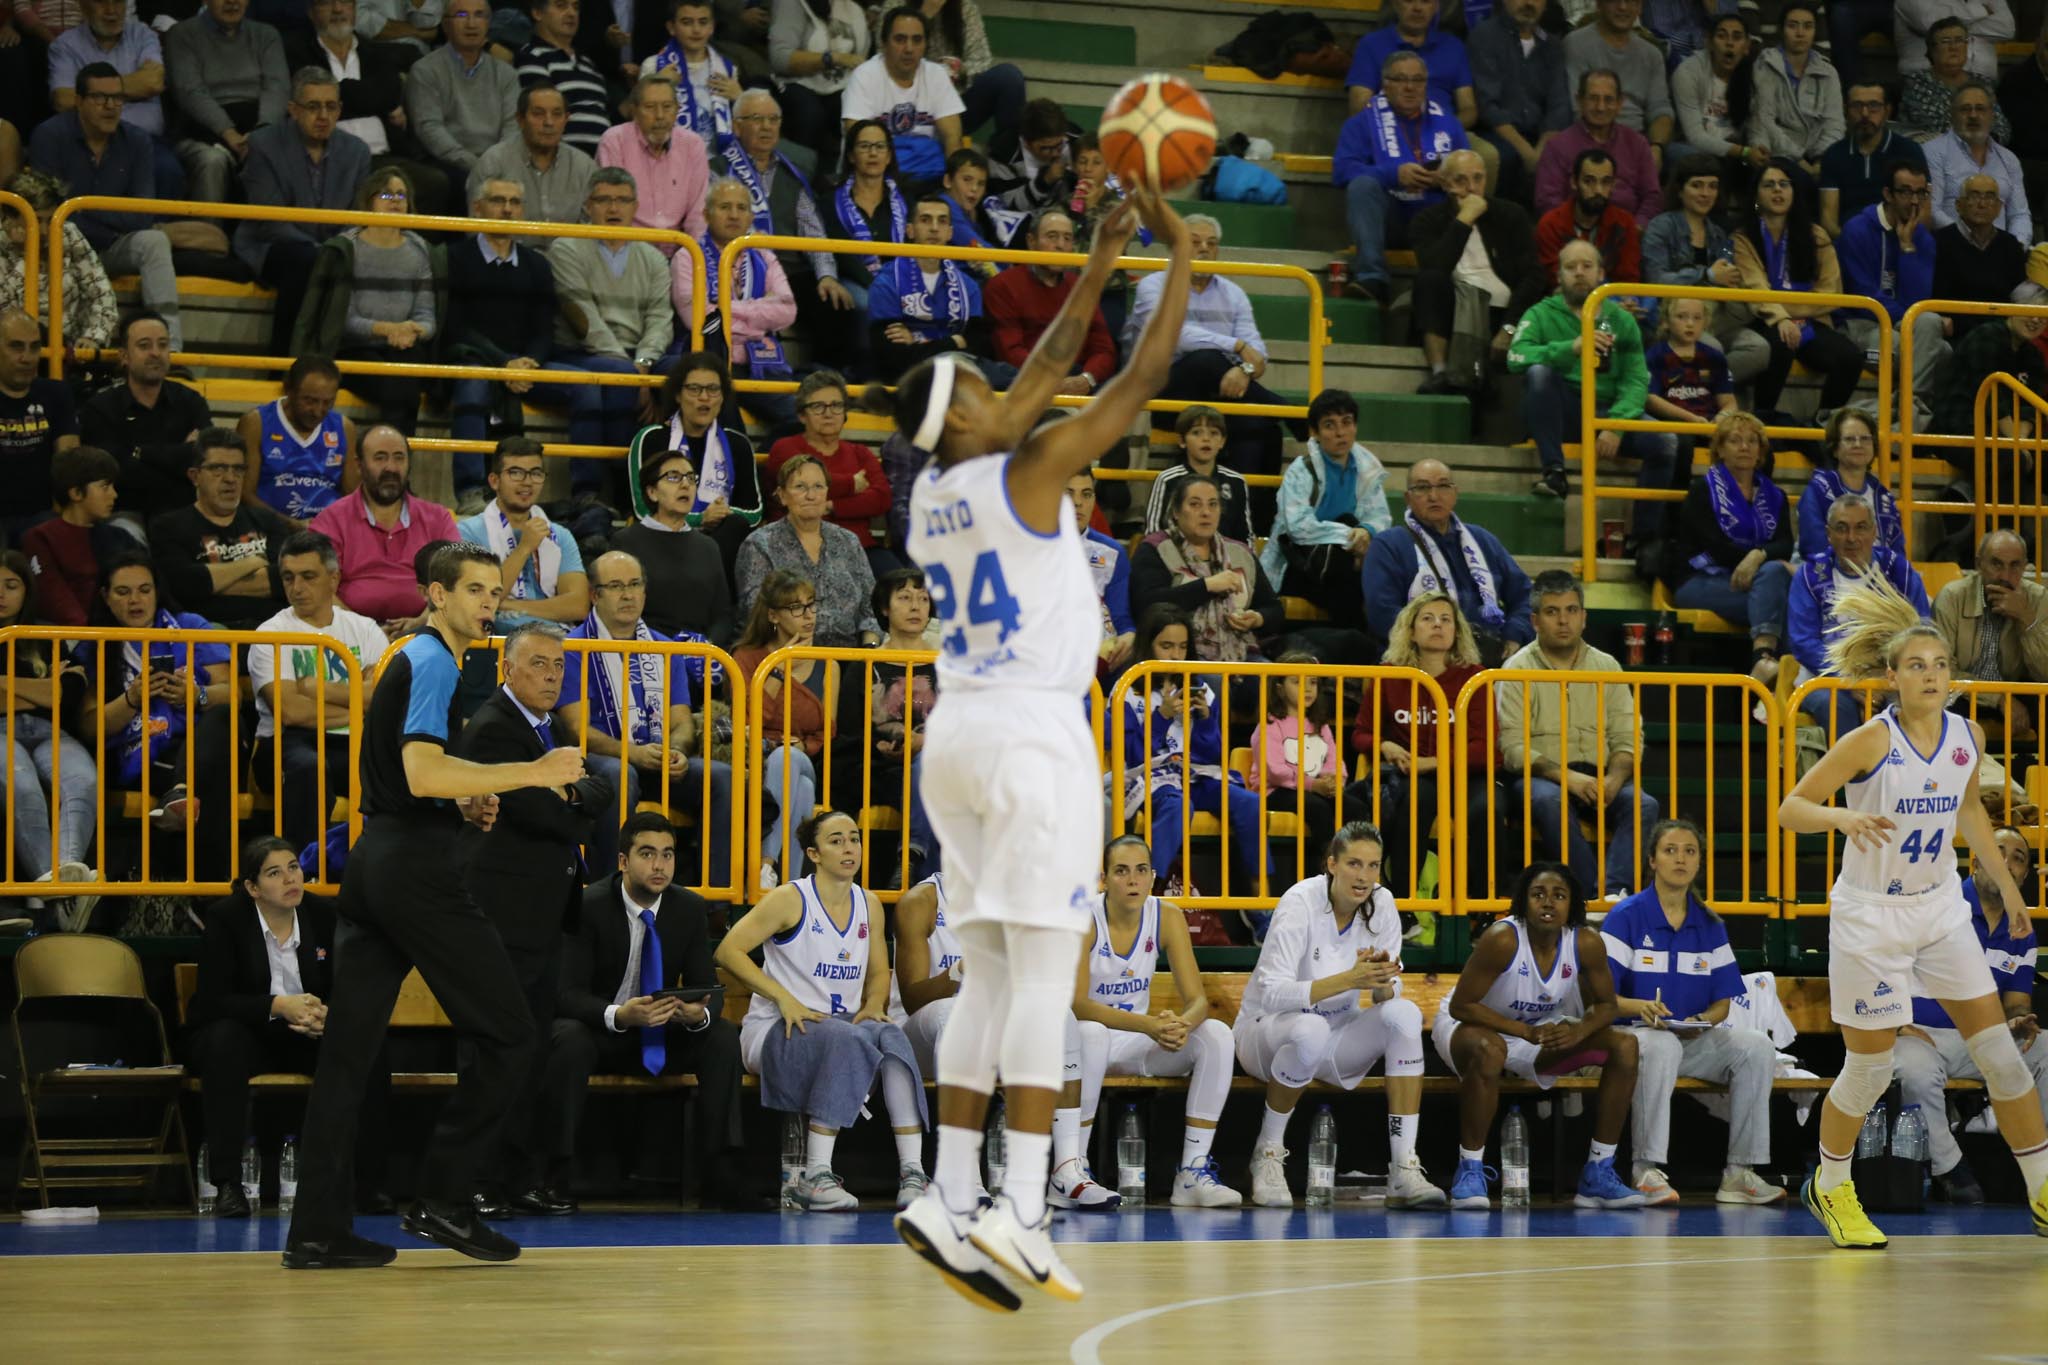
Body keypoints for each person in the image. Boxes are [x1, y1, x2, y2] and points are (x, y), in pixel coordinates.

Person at [886, 190, 1184, 1309]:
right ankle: (1020, 1203)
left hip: (953, 733)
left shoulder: (937, 498)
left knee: (991, 974)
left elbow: (1030, 380)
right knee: (1041, 980)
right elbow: (1133, 384)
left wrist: (1097, 263)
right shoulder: (1023, 471)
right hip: (1028, 734)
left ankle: (945, 1193)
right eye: (974, 387)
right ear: (958, 420)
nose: (996, 389)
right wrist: (1172, 272)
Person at [282, 542, 588, 1270]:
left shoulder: (411, 659)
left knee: (346, 1060)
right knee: (513, 1033)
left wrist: (469, 798)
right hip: (415, 873)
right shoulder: (433, 660)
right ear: (435, 594)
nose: (487, 602)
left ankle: (316, 1230)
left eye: (493, 590)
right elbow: (420, 772)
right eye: (474, 590)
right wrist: (532, 773)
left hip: (376, 861)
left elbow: (413, 772)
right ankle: (445, 1197)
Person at [1776, 572, 2048, 1249]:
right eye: (1916, 666)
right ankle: (1830, 1183)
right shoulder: (1871, 740)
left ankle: (2042, 1190)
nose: (1931, 674)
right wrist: (1844, 816)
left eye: (1940, 664)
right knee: (1868, 1068)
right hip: (1871, 918)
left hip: (1940, 909)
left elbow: (1966, 813)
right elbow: (1791, 809)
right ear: (1892, 676)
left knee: (2002, 1057)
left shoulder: (1965, 736)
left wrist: (2009, 890)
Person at [451, 620, 613, 1217]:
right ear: (507, 669)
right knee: (494, 1049)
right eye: (539, 664)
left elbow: (595, 794)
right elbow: (544, 815)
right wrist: (576, 801)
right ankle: (472, 1180)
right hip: (500, 916)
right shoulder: (495, 728)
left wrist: (573, 798)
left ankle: (515, 1177)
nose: (551, 676)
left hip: (541, 917)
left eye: (558, 667)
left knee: (530, 1050)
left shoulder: (545, 728)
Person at [716, 807, 929, 1210]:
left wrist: (872, 1003)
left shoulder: (869, 903)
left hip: (839, 1028)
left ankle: (913, 1172)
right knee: (844, 1038)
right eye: (837, 841)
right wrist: (783, 997)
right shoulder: (789, 898)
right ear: (813, 854)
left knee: (891, 1035)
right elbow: (729, 951)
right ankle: (815, 1174)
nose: (849, 848)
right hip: (776, 1028)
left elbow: (879, 973)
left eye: (854, 839)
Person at [546, 811, 752, 1208]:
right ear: (623, 861)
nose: (659, 866)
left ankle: (722, 1175)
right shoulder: (588, 905)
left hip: (659, 1031)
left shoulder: (689, 908)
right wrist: (620, 1015)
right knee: (567, 1039)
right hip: (602, 1032)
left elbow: (709, 986)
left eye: (668, 855)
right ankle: (554, 1174)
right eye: (647, 854)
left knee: (722, 1035)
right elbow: (566, 994)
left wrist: (697, 1015)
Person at [1235, 823, 1447, 1208]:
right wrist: (1349, 978)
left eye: (1372, 866)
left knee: (1404, 1014)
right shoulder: (1300, 901)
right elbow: (1274, 992)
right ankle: (1266, 1154)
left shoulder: (1382, 904)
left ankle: (1403, 1168)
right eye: (1353, 864)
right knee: (1310, 1029)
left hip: (1335, 1034)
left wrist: (1381, 981)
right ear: (1331, 864)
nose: (1363, 876)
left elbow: (1388, 993)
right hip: (1264, 1033)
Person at [188, 837, 389, 1219]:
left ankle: (366, 1185)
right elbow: (212, 1001)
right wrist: (278, 1005)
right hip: (251, 1031)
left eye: (294, 868)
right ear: (252, 887)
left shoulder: (323, 914)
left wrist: (326, 1015)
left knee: (368, 1046)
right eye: (274, 873)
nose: (290, 879)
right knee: (223, 1043)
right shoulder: (226, 918)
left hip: (307, 1033)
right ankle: (229, 1184)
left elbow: (347, 984)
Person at [1433, 861, 1649, 1210]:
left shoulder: (1586, 943)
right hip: (1471, 1028)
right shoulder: (1502, 939)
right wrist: (1525, 1030)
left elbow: (1607, 1006)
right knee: (1491, 1050)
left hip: (1534, 1035)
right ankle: (1470, 1169)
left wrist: (1580, 1030)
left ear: (1571, 904)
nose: (1548, 902)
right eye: (1538, 894)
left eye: (1558, 895)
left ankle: (1598, 1170)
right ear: (1523, 901)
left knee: (1625, 1045)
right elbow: (1462, 1006)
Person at [1600, 817, 1786, 1205]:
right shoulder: (1625, 917)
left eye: (1690, 851)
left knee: (1755, 1047)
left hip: (1691, 1039)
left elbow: (1722, 1003)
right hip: (1632, 1038)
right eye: (1670, 851)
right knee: (1661, 1045)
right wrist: (1642, 1007)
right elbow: (1600, 999)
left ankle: (1740, 1173)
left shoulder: (1709, 923)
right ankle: (1644, 1169)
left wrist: (1704, 1022)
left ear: (1699, 862)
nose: (1680, 859)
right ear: (1652, 860)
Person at [1073, 835, 1244, 1207]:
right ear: (1104, 879)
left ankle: (1192, 1172)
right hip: (1084, 1043)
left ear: (1152, 877)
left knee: (1215, 1034)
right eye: (1121, 871)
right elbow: (1079, 1006)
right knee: (1092, 1034)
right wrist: (1149, 1026)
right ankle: (1075, 1169)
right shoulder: (1085, 918)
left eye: (1140, 871)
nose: (1132, 880)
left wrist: (1180, 1024)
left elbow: (1198, 1000)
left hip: (1135, 1042)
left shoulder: (1166, 915)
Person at [556, 548, 734, 887]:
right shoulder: (574, 648)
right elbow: (577, 728)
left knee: (721, 777)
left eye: (635, 584)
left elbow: (681, 720)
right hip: (600, 760)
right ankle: (608, 890)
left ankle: (717, 901)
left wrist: (676, 750)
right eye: (616, 586)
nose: (628, 594)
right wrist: (633, 753)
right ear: (595, 595)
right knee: (620, 774)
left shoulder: (666, 648)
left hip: (656, 757)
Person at [1896, 823, 2048, 1204]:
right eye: (1999, 853)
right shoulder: (1939, 907)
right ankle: (1951, 1169)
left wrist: (2019, 1020)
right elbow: (1886, 965)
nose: (2008, 864)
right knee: (1915, 1071)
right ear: (1976, 861)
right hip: (1923, 1033)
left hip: (1983, 1038)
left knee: (2046, 1049)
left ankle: (2033, 1163)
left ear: (2025, 875)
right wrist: (1895, 1022)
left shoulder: (2023, 930)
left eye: (2019, 859)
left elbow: (2016, 1002)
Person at [75, 551, 239, 880]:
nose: (136, 600)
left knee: (222, 721)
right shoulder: (94, 646)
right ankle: (210, 893)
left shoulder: (191, 626)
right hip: (144, 752)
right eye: (123, 592)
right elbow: (91, 728)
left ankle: (180, 791)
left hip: (202, 739)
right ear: (106, 597)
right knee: (213, 781)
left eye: (144, 589)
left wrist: (195, 695)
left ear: (157, 591)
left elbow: (231, 693)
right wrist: (131, 700)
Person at [1497, 570, 1659, 899]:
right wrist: (1568, 778)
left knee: (1644, 804)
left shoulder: (1608, 666)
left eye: (1572, 610)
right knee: (1548, 800)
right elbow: (1512, 748)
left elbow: (1628, 734)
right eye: (1552, 612)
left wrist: (1614, 778)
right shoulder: (1515, 669)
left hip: (1601, 775)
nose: (1563, 621)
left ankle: (1615, 896)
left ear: (1584, 618)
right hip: (1542, 778)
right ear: (1535, 620)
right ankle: (1588, 897)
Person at [1111, 606, 1271, 898]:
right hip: (1149, 778)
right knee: (1178, 806)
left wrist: (1207, 721)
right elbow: (1132, 755)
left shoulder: (1202, 688)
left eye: (1182, 647)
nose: (1175, 655)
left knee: (1249, 802)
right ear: (1149, 646)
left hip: (1195, 775)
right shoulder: (1127, 690)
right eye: (1166, 646)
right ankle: (1151, 891)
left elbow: (1213, 755)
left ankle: (1258, 897)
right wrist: (1161, 716)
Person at [28, 63, 188, 352]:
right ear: (78, 101)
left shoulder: (137, 141)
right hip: (63, 248)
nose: (111, 106)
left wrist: (82, 207)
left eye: (117, 98)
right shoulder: (49, 136)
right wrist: (102, 217)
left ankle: (171, 351)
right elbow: (49, 211)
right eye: (100, 98)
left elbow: (142, 215)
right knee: (62, 227)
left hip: (114, 244)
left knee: (154, 240)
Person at [245, 529, 387, 854]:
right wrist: (359, 701)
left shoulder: (364, 629)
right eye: (289, 578)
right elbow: (291, 712)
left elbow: (380, 699)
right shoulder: (271, 634)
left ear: (334, 578)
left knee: (397, 760)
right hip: (285, 743)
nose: (297, 588)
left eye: (308, 576)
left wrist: (313, 687)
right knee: (309, 767)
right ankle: (305, 877)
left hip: (353, 739)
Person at [1123, 213, 1288, 480]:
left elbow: (1258, 353)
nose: (1204, 249)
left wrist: (1244, 370)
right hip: (1164, 394)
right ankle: (1281, 407)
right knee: (1203, 358)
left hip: (1219, 395)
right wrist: (1236, 345)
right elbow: (1174, 335)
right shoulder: (1152, 286)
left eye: (1211, 244)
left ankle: (1253, 518)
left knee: (1264, 429)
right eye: (1195, 242)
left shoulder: (1234, 293)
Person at [1354, 590, 1496, 898]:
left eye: (1446, 620)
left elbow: (1485, 747)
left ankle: (1479, 905)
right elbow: (1361, 733)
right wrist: (1384, 746)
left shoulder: (1475, 677)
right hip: (1415, 776)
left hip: (1465, 775)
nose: (1438, 626)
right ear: (1411, 630)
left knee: (1488, 807)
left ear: (1457, 631)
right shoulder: (1389, 675)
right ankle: (1403, 900)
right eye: (1428, 619)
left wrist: (1433, 762)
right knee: (1419, 798)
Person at [234, 68, 373, 356]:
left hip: (332, 248)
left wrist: (332, 249)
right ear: (293, 110)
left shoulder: (357, 151)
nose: (323, 115)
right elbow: (269, 220)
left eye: (330, 106)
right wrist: (321, 251)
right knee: (304, 260)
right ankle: (283, 361)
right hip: (272, 245)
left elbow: (358, 216)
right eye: (313, 107)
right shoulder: (264, 144)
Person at [1508, 238, 1658, 505]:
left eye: (1587, 266)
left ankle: (1648, 537)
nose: (1579, 272)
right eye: (1570, 266)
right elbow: (1516, 357)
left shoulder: (1622, 320)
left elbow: (1635, 380)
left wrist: (1616, 425)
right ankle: (1554, 471)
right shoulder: (1540, 313)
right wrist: (1571, 348)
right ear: (1559, 276)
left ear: (1601, 273)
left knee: (1667, 442)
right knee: (1539, 374)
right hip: (1565, 411)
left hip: (1608, 411)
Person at [289, 168, 438, 435]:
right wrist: (387, 329)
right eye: (386, 194)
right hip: (354, 348)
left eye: (401, 195)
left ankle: (389, 462)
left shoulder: (421, 251)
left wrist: (412, 330)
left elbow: (427, 317)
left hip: (403, 346)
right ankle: (392, 464)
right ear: (368, 201)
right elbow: (341, 320)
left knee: (407, 372)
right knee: (400, 389)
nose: (395, 200)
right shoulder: (347, 248)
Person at [543, 169, 675, 466]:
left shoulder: (653, 256)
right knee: (617, 377)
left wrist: (643, 363)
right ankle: (615, 484)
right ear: (588, 206)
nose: (614, 208)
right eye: (604, 200)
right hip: (581, 352)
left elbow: (660, 318)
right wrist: (631, 372)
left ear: (635, 207)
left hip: (637, 358)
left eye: (622, 200)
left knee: (687, 372)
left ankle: (685, 476)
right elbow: (587, 323)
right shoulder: (567, 248)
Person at [720, 87, 858, 370]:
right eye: (758, 119)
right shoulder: (718, 169)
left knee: (833, 302)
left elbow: (813, 232)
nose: (767, 127)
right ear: (736, 126)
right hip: (737, 269)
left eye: (774, 120)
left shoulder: (792, 172)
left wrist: (827, 275)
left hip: (789, 270)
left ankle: (824, 380)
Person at [822, 568, 938, 884]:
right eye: (904, 597)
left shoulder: (949, 663)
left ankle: (913, 856)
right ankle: (924, 886)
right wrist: (884, 744)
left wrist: (924, 743)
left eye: (923, 598)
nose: (916, 606)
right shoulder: (865, 666)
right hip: (879, 767)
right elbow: (849, 731)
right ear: (885, 608)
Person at [0, 549, 95, 924]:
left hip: (50, 731)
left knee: (84, 780)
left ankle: (65, 878)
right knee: (22, 786)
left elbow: (65, 697)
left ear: (27, 590)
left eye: (11, 585)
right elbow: (52, 691)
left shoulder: (47, 634)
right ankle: (66, 896)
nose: (2, 594)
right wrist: (42, 687)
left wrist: (7, 684)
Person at [1360, 459, 1534, 663]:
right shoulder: (1389, 546)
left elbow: (1526, 596)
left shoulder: (1482, 540)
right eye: (1422, 488)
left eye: (1443, 486)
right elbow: (1382, 614)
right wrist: (1445, 644)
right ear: (1408, 498)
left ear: (1455, 493)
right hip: (1420, 663)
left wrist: (1514, 635)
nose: (1434, 496)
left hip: (1489, 660)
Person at [1334, 49, 1469, 307]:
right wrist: (1393, 174)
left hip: (1436, 215)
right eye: (1400, 79)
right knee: (1362, 185)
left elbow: (1470, 171)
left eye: (1418, 80)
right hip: (1391, 218)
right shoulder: (1361, 122)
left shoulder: (1449, 123)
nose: (1410, 87)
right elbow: (1342, 172)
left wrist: (1444, 179)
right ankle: (1372, 278)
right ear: (1386, 83)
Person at [444, 178, 559, 484]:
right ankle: (469, 488)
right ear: (478, 208)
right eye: (498, 201)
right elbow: (455, 326)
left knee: (587, 388)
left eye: (515, 202)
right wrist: (503, 363)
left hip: (524, 366)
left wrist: (529, 363)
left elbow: (544, 327)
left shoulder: (537, 264)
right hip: (475, 358)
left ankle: (587, 494)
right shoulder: (454, 258)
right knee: (473, 383)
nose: (507, 209)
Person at [288, 0, 449, 216]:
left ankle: (406, 247)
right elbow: (307, 101)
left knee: (435, 184)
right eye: (327, 3)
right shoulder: (297, 52)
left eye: (345, 3)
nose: (337, 10)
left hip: (382, 159)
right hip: (328, 159)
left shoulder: (375, 51)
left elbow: (389, 93)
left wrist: (335, 94)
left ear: (355, 8)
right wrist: (372, 100)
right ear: (311, 12)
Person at [1730, 158, 1864, 418]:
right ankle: (1763, 418)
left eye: (1784, 184)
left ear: (1794, 191)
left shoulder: (1816, 235)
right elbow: (1755, 289)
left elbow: (1832, 292)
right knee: (1780, 346)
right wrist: (1781, 318)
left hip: (1810, 322)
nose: (1777, 190)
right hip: (1766, 321)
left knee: (1850, 358)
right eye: (1769, 185)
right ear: (1756, 193)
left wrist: (1790, 312)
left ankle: (1823, 422)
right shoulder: (1743, 237)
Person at [1788, 491, 1931, 731]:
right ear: (1829, 534)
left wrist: (1884, 680)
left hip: (1890, 679)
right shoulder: (1810, 575)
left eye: (1861, 528)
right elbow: (1803, 642)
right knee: (1836, 707)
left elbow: (1922, 631)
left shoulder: (1899, 572)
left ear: (1874, 532)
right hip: (1826, 680)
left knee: (1916, 705)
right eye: (1842, 528)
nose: (1851, 537)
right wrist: (1851, 681)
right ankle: (1852, 770)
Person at [1666, 409, 1792, 681]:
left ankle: (1768, 670)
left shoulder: (1775, 495)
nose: (1744, 447)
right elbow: (1714, 547)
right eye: (1735, 440)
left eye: (1752, 441)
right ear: (1720, 450)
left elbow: (1785, 543)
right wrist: (1759, 560)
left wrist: (1758, 557)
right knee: (1781, 597)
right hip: (1699, 581)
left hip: (1757, 582)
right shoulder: (1702, 490)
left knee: (1774, 580)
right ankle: (1775, 670)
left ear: (1761, 452)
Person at [1407, 148, 1544, 396]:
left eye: (1478, 178)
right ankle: (1439, 372)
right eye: (1461, 179)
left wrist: (1510, 327)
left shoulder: (1511, 215)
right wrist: (1464, 219)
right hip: (1451, 311)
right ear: (1445, 184)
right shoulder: (1427, 221)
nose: (1471, 187)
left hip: (1501, 313)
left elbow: (1533, 277)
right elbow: (1436, 268)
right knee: (1428, 280)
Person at [306, 424, 461, 632]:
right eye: (380, 458)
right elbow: (318, 588)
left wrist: (426, 619)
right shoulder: (331, 521)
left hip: (427, 631)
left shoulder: (438, 519)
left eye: (399, 458)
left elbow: (457, 578)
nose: (391, 467)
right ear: (359, 465)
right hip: (347, 636)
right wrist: (365, 631)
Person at [731, 568, 835, 873]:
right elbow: (748, 721)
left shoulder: (829, 663)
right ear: (774, 616)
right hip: (756, 764)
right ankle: (787, 887)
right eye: (796, 608)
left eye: (812, 605)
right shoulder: (747, 658)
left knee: (788, 757)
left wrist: (804, 743)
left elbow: (828, 728)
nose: (808, 615)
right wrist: (778, 668)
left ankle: (766, 861)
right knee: (800, 789)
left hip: (805, 757)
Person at [1258, 388, 1391, 622]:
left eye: (1346, 422)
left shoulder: (1367, 469)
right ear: (1315, 432)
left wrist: (1366, 532)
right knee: (1349, 554)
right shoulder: (1301, 471)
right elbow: (1299, 528)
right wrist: (1350, 536)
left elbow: (1380, 519)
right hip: (1300, 565)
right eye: (1330, 425)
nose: (1340, 432)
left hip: (1343, 566)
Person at [626, 355, 764, 577]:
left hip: (721, 541)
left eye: (713, 389)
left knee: (734, 525)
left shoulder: (738, 444)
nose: (704, 398)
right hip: (665, 536)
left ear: (723, 397)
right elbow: (642, 509)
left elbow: (754, 513)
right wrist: (700, 519)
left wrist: (720, 514)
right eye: (694, 389)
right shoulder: (651, 439)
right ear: (678, 395)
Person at [79, 312, 211, 532]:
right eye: (144, 345)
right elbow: (115, 474)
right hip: (124, 513)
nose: (155, 353)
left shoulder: (190, 401)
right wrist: (178, 456)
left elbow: (203, 460)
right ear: (124, 356)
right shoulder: (100, 408)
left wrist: (140, 453)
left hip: (183, 510)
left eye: (162, 345)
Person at [148, 428, 290, 630]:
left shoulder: (268, 521)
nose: (230, 479)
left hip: (270, 632)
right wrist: (253, 562)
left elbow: (285, 580)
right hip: (205, 636)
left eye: (238, 469)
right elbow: (182, 586)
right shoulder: (167, 527)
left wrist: (211, 583)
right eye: (219, 469)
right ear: (195, 476)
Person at [1129, 476, 1278, 665]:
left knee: (1268, 679)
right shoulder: (1156, 549)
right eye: (1195, 504)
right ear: (1176, 511)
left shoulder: (1240, 553)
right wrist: (1207, 586)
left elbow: (1274, 608)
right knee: (1213, 681)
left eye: (1213, 504)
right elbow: (1146, 605)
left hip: (1241, 651)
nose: (1206, 512)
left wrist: (1256, 618)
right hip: (1183, 654)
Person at [680, 176, 797, 417]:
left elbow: (787, 311)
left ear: (751, 218)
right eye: (725, 207)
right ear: (706, 214)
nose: (734, 215)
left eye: (741, 208)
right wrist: (759, 319)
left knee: (798, 415)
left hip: (763, 362)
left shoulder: (764, 257)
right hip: (713, 363)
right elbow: (698, 320)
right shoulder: (689, 255)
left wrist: (727, 309)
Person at [1836, 159, 1947, 412]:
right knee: (1934, 352)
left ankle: (1906, 408)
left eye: (1921, 193)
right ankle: (1913, 412)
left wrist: (1907, 247)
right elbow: (1864, 297)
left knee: (1938, 338)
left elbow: (1918, 302)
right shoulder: (1858, 230)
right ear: (1888, 194)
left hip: (1901, 323)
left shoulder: (1923, 239)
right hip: (1861, 324)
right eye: (1906, 192)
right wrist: (1905, 318)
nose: (1915, 201)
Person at [736, 454, 880, 646]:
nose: (811, 496)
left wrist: (869, 651)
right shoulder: (760, 544)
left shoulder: (848, 541)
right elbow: (755, 613)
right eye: (800, 487)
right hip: (787, 655)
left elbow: (870, 609)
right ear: (782, 495)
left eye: (818, 487)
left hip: (851, 655)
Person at [454, 437, 590, 632]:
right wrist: (524, 548)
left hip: (554, 637)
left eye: (535, 473)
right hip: (495, 637)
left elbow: (578, 606)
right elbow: (477, 599)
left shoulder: (560, 535)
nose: (527, 482)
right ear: (494, 481)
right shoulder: (468, 532)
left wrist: (511, 605)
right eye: (516, 473)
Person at [165, 0, 290, 207]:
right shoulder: (182, 34)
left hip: (259, 129)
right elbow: (190, 92)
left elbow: (277, 88)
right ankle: (208, 238)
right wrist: (228, 133)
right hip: (202, 132)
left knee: (277, 153)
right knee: (212, 161)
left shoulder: (266, 35)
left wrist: (262, 133)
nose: (232, 2)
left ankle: (273, 238)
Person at [764, 370, 891, 572]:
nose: (828, 413)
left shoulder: (861, 453)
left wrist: (832, 506)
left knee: (901, 582)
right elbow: (803, 486)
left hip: (861, 547)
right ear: (801, 415)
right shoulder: (785, 448)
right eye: (818, 406)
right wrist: (851, 484)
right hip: (801, 546)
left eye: (836, 405)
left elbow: (881, 498)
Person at [609, 446, 736, 644]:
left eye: (690, 478)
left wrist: (708, 647)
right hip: (645, 655)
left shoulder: (708, 547)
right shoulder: (626, 542)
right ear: (652, 492)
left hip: (701, 656)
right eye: (673, 477)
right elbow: (617, 609)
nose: (685, 484)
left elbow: (722, 615)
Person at [1935, 529, 2048, 751]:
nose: (2005, 576)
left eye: (2015, 566)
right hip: (1962, 694)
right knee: (1939, 705)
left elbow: (2045, 674)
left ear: (2025, 566)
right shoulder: (1952, 598)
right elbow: (1943, 669)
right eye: (1996, 564)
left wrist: (2026, 619)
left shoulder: (2038, 599)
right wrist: (1998, 698)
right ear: (1979, 564)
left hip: (2019, 692)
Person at [983, 208, 1116, 398]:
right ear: (1031, 242)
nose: (1060, 245)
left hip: (1078, 381)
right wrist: (1054, 382)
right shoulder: (1002, 285)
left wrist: (1086, 379)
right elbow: (1010, 351)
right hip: (1026, 384)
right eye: (1052, 236)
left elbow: (1103, 349)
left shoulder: (1082, 287)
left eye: (1067, 238)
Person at [868, 192, 991, 381]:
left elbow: (979, 346)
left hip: (959, 378)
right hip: (907, 381)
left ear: (950, 232)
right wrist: (954, 341)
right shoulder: (886, 283)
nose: (934, 228)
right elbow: (894, 357)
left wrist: (917, 343)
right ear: (910, 230)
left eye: (942, 221)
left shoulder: (969, 287)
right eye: (925, 220)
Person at [838, 5, 961, 184]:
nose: (909, 48)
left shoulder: (936, 75)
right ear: (884, 43)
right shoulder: (865, 76)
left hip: (927, 178)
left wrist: (952, 187)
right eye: (900, 39)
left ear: (926, 45)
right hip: (877, 179)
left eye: (917, 40)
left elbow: (953, 138)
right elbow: (859, 140)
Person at [0, 168, 116, 359]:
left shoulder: (67, 233)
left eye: (50, 219)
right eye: (36, 220)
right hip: (16, 355)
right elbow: (8, 318)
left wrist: (93, 337)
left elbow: (102, 295)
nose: (45, 231)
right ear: (11, 217)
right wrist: (27, 256)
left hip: (69, 352)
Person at [1246, 652, 1342, 875]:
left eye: (1313, 682)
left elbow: (1335, 762)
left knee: (1354, 806)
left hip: (1314, 789)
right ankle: (1324, 875)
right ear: (1279, 688)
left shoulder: (1321, 726)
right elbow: (1275, 771)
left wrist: (1333, 780)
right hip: (1276, 791)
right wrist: (1314, 785)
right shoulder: (1270, 724)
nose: (1307, 688)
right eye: (1297, 681)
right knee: (1317, 809)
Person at [406, 0, 520, 186]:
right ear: (445, 24)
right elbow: (429, 129)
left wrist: (497, 162)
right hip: (448, 162)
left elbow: (512, 128)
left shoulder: (506, 74)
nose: (471, 23)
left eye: (479, 15)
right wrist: (476, 165)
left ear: (488, 23)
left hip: (498, 162)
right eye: (461, 15)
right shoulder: (425, 70)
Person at [22, 444, 137, 626]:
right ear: (76, 493)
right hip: (71, 638)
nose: (114, 495)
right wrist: (92, 639)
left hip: (119, 635)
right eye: (105, 486)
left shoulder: (121, 538)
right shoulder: (40, 538)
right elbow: (54, 599)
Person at [1466, 0, 1571, 197]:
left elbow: (1559, 106)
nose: (1528, 3)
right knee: (1507, 158)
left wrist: (1541, 150)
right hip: (1498, 134)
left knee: (1570, 154)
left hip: (1540, 135)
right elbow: (1488, 106)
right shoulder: (1484, 36)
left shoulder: (1551, 44)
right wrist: (1528, 154)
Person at [463, 84, 600, 234]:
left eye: (557, 114)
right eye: (538, 114)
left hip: (568, 256)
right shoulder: (493, 162)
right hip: (511, 255)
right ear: (520, 119)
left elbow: (592, 230)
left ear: (566, 119)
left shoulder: (584, 167)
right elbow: (477, 231)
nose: (549, 122)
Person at [238, 356, 354, 532]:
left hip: (328, 534)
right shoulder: (256, 423)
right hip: (269, 530)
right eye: (310, 401)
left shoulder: (344, 428)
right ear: (288, 390)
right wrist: (288, 523)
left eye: (327, 402)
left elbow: (353, 495)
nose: (318, 411)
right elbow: (244, 493)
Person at [1534, 69, 1662, 224]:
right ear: (1579, 101)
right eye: (1593, 98)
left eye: (1608, 99)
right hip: (1575, 237)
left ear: (1620, 103)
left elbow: (1652, 197)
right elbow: (1547, 202)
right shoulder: (1557, 147)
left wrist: (1637, 228)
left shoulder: (1637, 143)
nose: (1600, 107)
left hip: (1627, 234)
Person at [597, 74, 710, 248]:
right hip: (628, 250)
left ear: (677, 109)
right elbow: (612, 210)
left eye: (667, 107)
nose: (659, 116)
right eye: (650, 107)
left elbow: (698, 215)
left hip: (679, 251)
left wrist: (692, 257)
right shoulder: (614, 141)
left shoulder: (692, 145)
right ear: (634, 110)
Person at [1560, 0, 1675, 166]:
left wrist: (1656, 147)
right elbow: (1579, 109)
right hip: (1592, 138)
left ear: (1640, 7)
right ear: (1599, 4)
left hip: (1640, 140)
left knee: (1688, 159)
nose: (1623, 7)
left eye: (1631, 1)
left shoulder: (1652, 54)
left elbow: (1660, 108)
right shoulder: (1576, 44)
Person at [0, 309, 78, 548]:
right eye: (16, 347)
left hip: (42, 516)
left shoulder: (57, 394)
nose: (27, 358)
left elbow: (69, 463)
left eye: (34, 347)